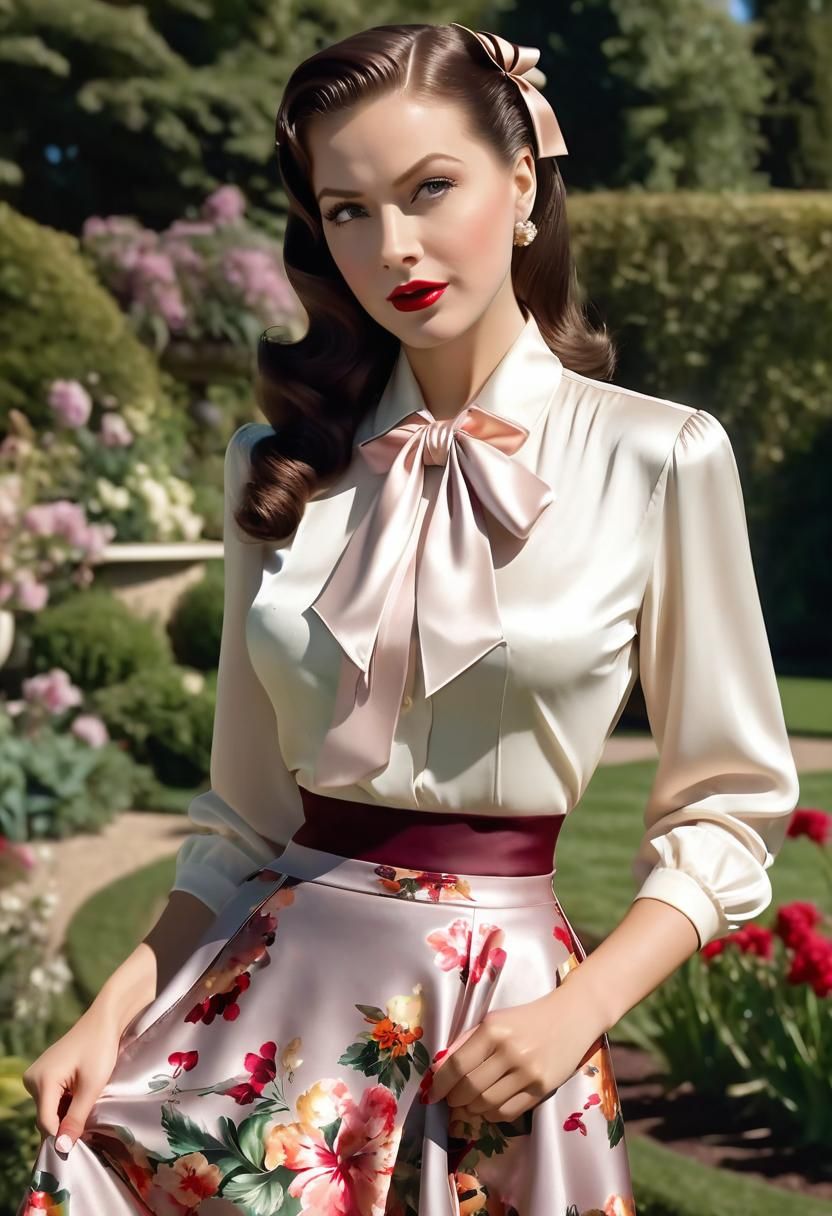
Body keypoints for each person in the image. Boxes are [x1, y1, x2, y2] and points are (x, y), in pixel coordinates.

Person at [19, 21, 799, 1216]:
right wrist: (111, 1005)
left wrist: (579, 1010)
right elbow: (244, 819)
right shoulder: (275, 468)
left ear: (521, 182)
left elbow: (729, 805)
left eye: (429, 189)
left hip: (506, 1034)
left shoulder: (658, 457)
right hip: (267, 1024)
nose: (391, 247)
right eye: (347, 209)